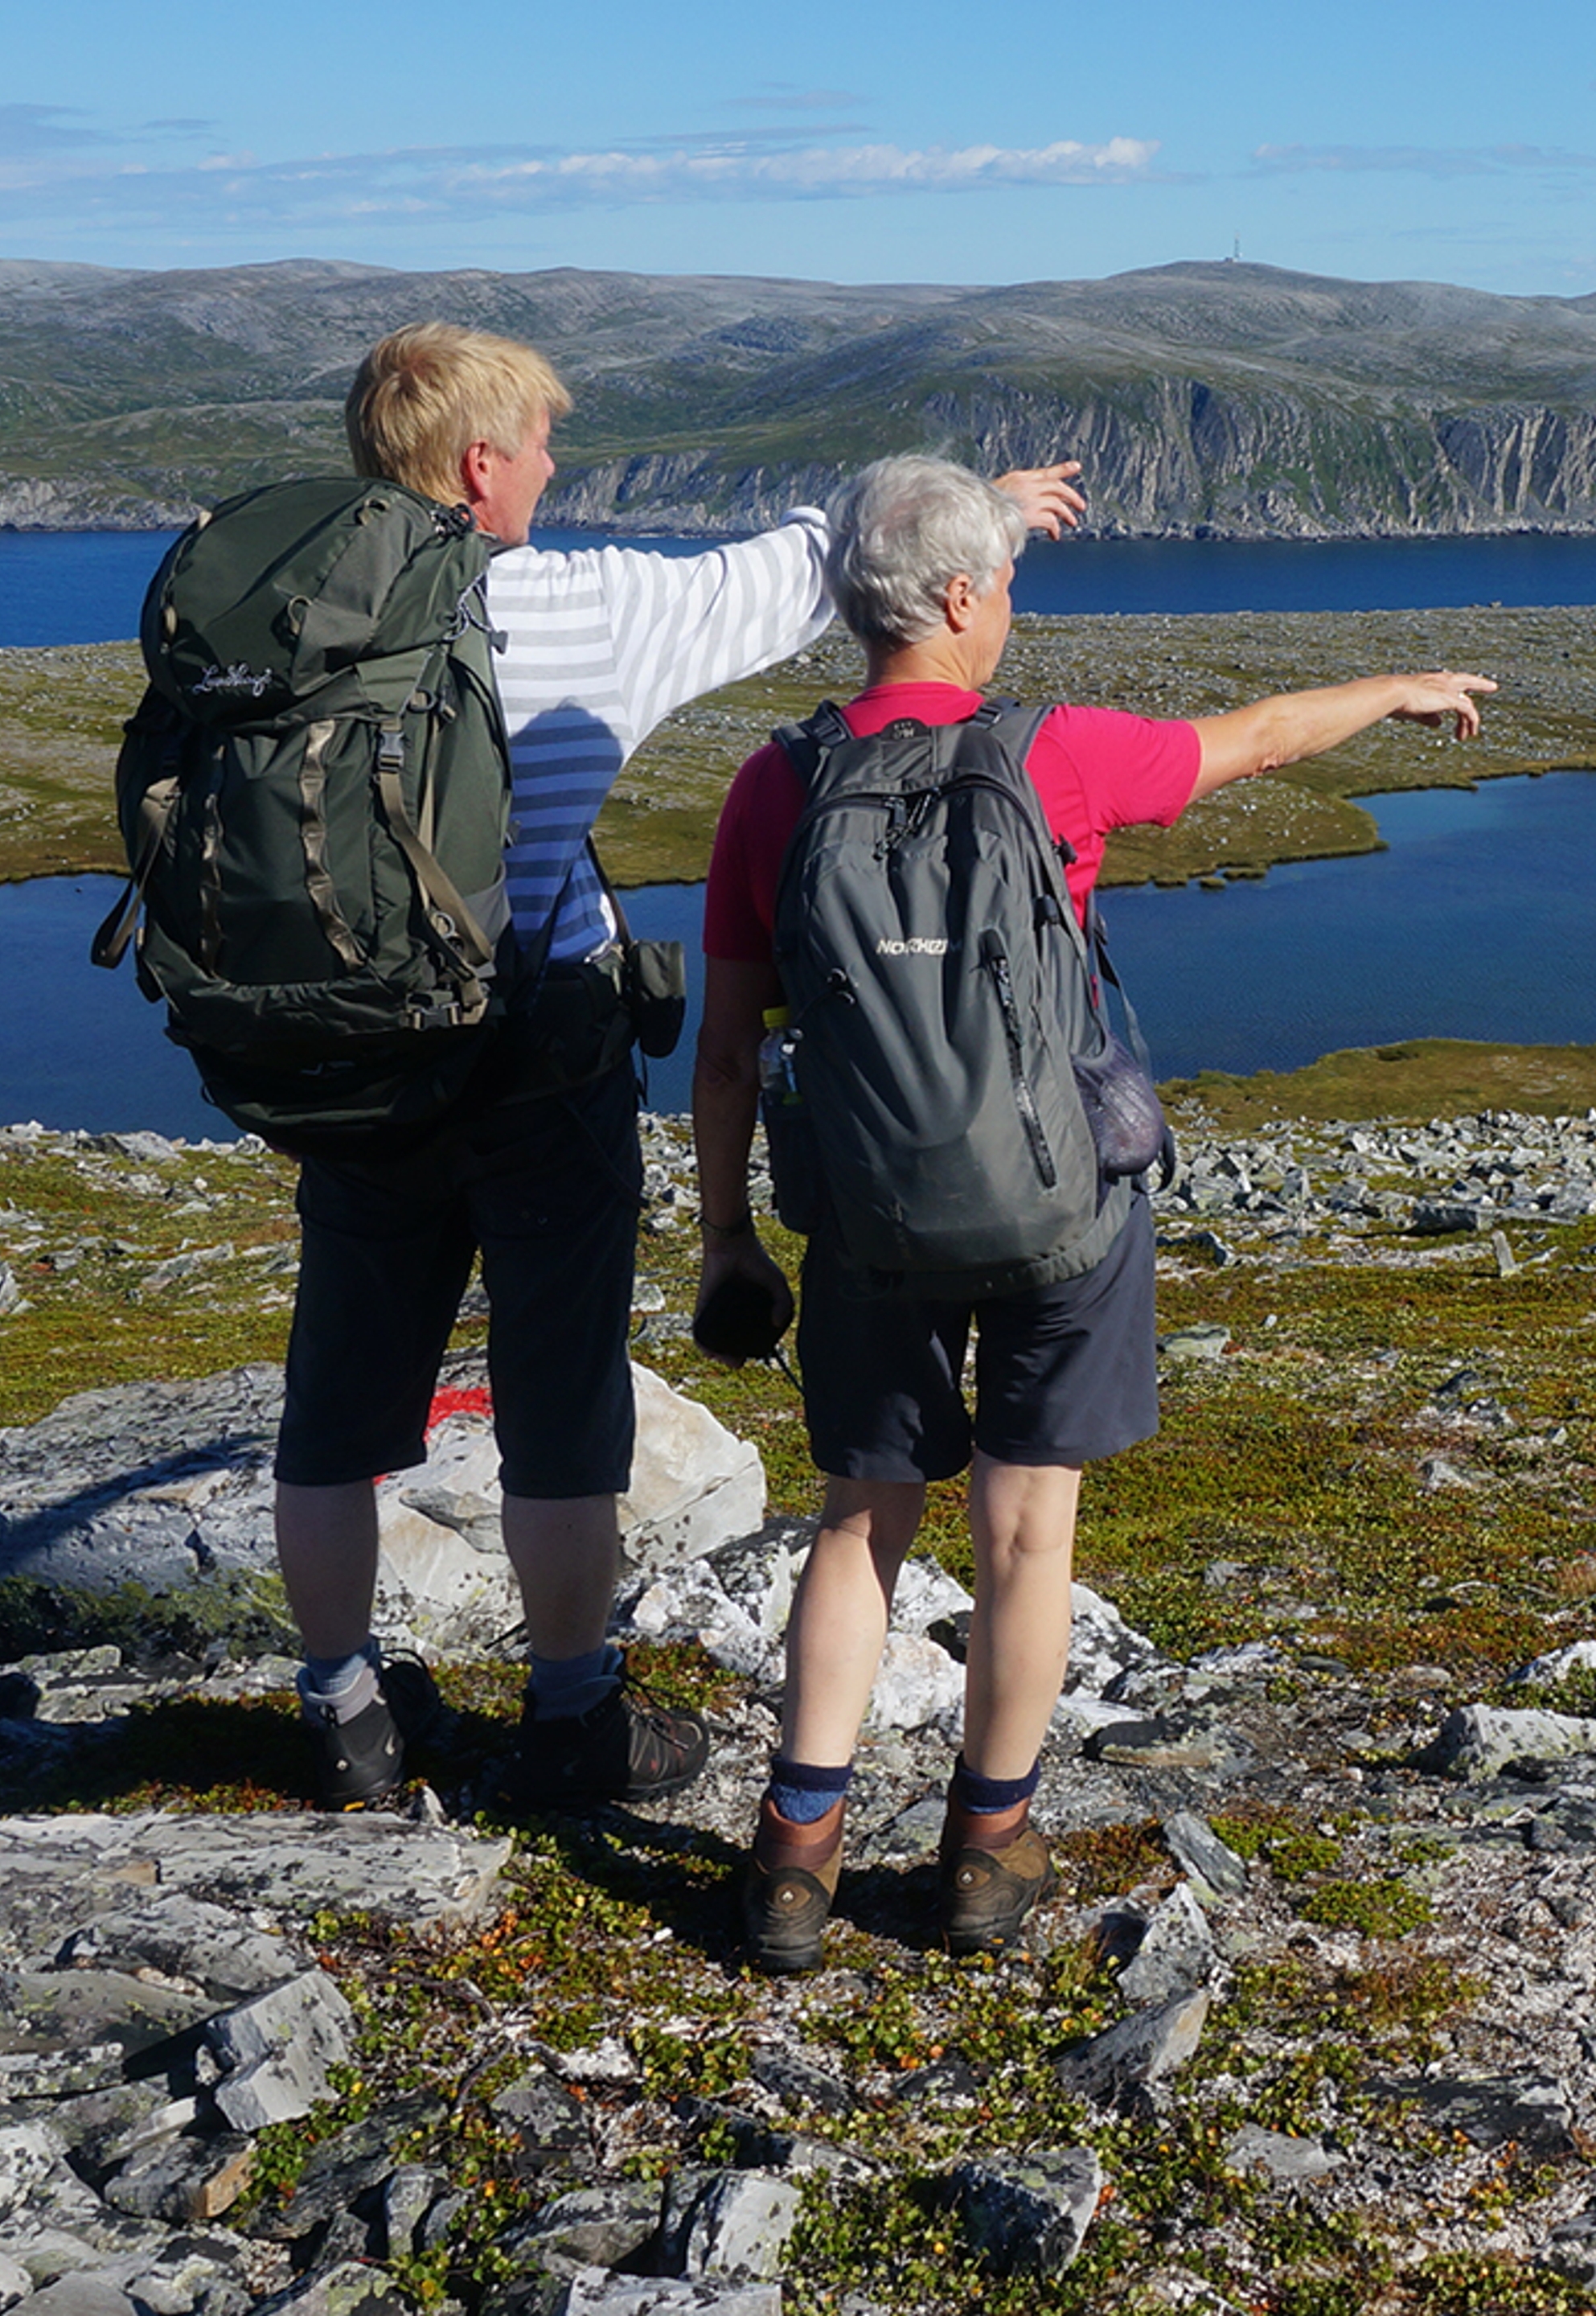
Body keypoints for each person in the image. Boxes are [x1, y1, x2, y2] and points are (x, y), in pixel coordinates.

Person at [694, 453, 1492, 1966]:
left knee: (860, 1525)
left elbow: (730, 1047)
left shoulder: (774, 786)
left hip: (864, 1219)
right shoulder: (1057, 757)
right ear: (955, 598)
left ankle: (795, 1864)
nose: (1009, 607)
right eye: (997, 582)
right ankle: (987, 1853)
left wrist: (732, 1237)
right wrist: (1394, 687)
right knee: (1025, 1533)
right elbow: (1250, 741)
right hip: (1062, 1209)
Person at [281, 324, 1083, 1813]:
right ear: (478, 467)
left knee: (336, 1398)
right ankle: (573, 1715)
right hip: (538, 1048)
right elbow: (807, 563)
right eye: (539, 444)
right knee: (561, 1394)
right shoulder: (582, 611)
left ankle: (340, 1710)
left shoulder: (283, 612)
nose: (553, 467)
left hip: (352, 1055)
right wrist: (980, 505)